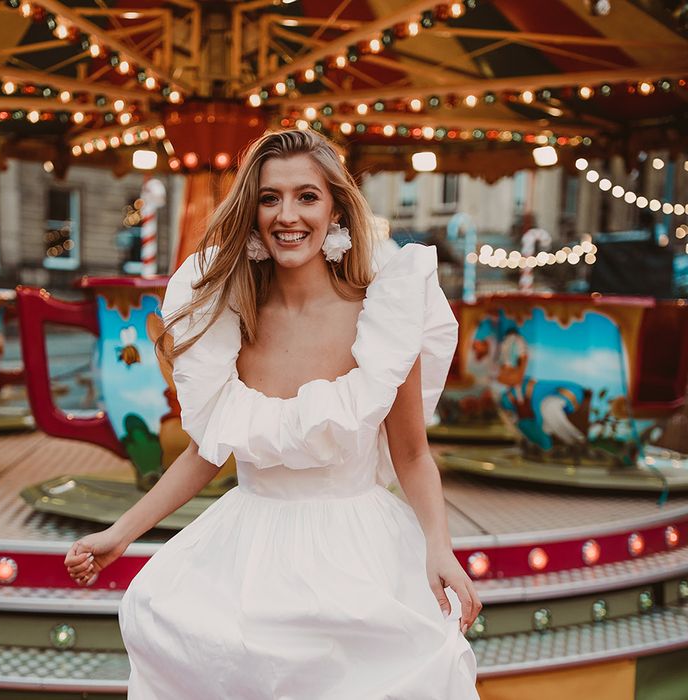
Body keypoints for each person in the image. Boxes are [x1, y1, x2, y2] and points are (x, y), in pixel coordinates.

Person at [64, 129, 481, 699]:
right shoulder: (233, 319)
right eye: (270, 198)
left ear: (335, 205)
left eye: (307, 196)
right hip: (249, 551)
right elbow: (206, 451)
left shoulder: (383, 316)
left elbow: (411, 454)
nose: (288, 215)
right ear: (253, 212)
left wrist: (438, 546)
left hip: (358, 553)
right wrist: (120, 535)